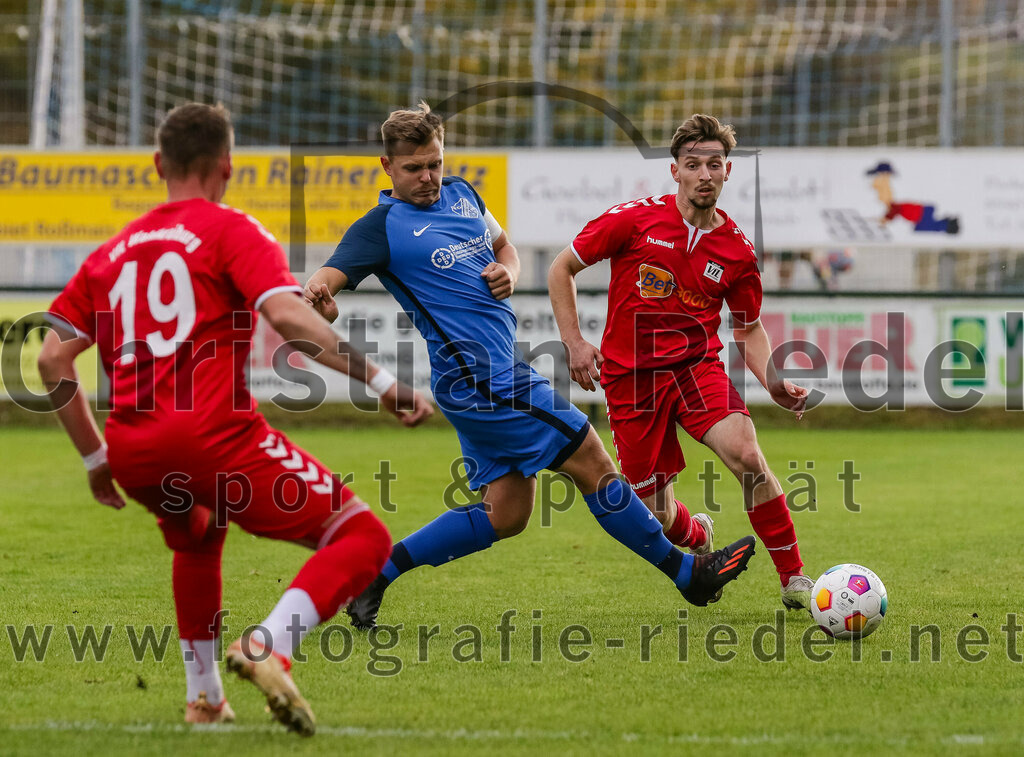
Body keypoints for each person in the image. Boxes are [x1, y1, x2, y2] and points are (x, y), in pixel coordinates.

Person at [37, 103, 432, 736]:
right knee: (362, 540)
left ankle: (204, 700)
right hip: (213, 440)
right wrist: (383, 382)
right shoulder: (232, 230)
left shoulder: (108, 254)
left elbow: (54, 360)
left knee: (197, 535)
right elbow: (290, 319)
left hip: (135, 449)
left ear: (158, 165)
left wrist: (96, 461)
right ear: (227, 165)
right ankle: (268, 646)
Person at [304, 102, 757, 630]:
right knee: (590, 455)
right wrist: (319, 294)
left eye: (435, 163)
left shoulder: (463, 194)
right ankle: (688, 575)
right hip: (481, 379)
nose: (428, 177)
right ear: (387, 168)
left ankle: (375, 573)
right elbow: (325, 279)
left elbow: (504, 246)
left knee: (507, 513)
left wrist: (508, 271)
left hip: (488, 376)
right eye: (413, 168)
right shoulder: (381, 227)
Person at [548, 114, 815, 610]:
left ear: (727, 171)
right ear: (676, 171)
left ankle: (794, 577)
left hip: (695, 368)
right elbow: (561, 267)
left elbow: (748, 327)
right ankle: (696, 531)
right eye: (693, 164)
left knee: (748, 456)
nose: (704, 174)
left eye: (714, 163)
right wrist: (575, 343)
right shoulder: (633, 220)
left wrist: (773, 381)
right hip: (631, 381)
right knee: (653, 508)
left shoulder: (737, 251)